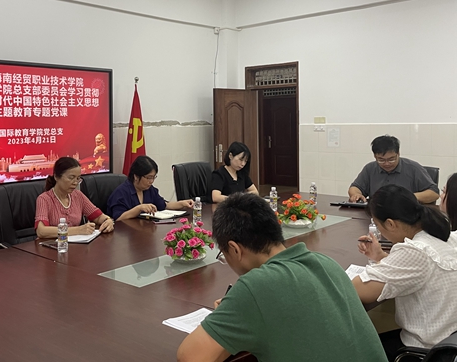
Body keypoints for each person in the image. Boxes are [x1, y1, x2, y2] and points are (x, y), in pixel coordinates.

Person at [177, 193, 386, 362]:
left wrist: (235, 311)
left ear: (234, 249)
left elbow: (190, 357)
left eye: (224, 254)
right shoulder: (325, 262)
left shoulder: (255, 288)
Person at [352, 184, 457, 361]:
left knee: (353, 348)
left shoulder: (415, 250)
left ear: (390, 224)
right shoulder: (447, 235)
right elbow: (417, 272)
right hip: (450, 342)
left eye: (378, 225)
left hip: (426, 352)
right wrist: (380, 257)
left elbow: (358, 290)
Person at [35, 157, 114, 238]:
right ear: (56, 177)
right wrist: (78, 230)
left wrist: (108, 221)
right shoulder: (44, 199)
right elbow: (41, 231)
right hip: (53, 244)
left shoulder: (78, 195)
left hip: (75, 244)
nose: (75, 183)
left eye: (78, 178)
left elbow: (99, 217)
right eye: (71, 178)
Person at [348, 135, 439, 204]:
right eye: (381, 160)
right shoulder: (370, 168)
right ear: (375, 156)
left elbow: (434, 193)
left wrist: (408, 197)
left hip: (406, 214)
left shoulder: (413, 168)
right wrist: (356, 194)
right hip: (377, 214)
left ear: (398, 153)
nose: (387, 163)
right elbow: (355, 188)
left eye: (391, 159)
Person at [107, 155, 194, 221]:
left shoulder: (149, 189)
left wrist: (182, 204)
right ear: (136, 176)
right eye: (148, 178)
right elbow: (118, 218)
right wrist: (139, 209)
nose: (151, 181)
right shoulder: (121, 193)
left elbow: (164, 205)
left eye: (153, 177)